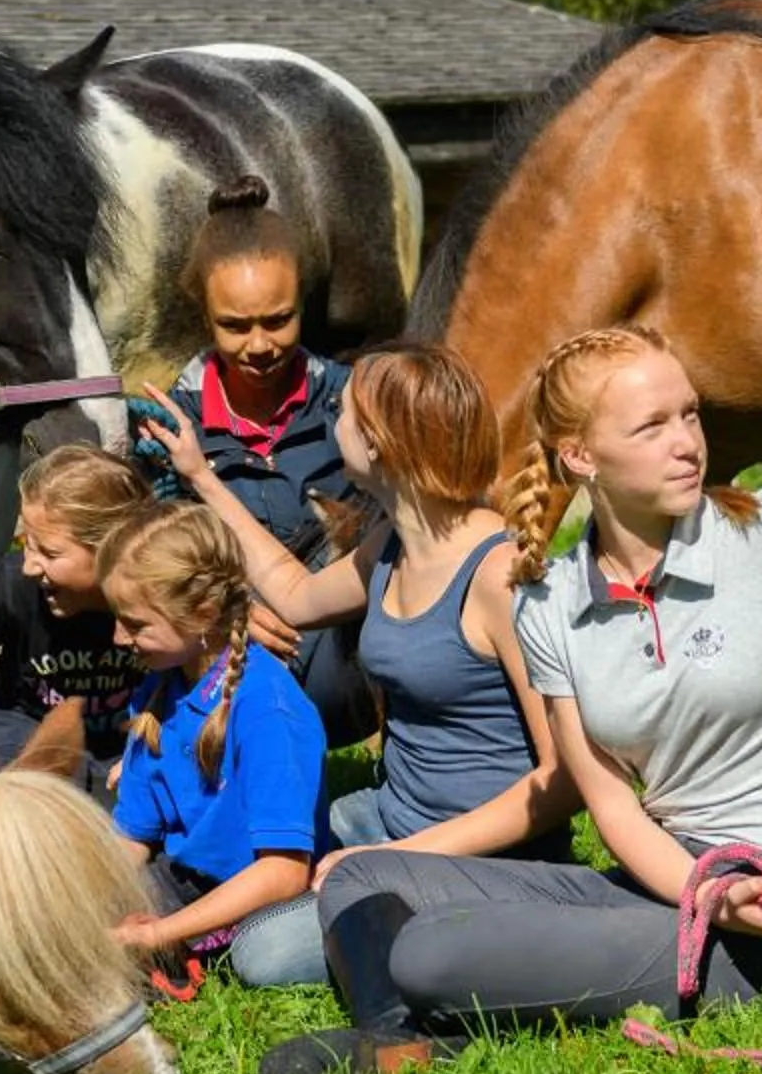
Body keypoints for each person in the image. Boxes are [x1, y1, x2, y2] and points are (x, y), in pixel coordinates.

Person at [257, 324, 762, 1074]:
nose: (688, 441)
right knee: (363, 878)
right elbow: (611, 808)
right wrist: (699, 886)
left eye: (690, 414)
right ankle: (398, 1041)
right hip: (654, 883)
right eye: (653, 425)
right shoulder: (553, 600)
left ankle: (407, 1020)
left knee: (425, 952)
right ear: (581, 456)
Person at [137, 342, 575, 987]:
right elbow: (293, 593)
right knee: (243, 850)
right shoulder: (396, 544)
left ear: (379, 444)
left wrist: (390, 859)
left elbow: (562, 780)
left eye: (344, 411)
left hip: (488, 858)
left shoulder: (497, 574)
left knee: (264, 955)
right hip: (388, 815)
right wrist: (201, 477)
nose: (331, 413)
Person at [163, 177, 377, 745]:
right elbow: (151, 562)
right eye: (235, 326)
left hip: (344, 647)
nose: (259, 345)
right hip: (222, 656)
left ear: (303, 301)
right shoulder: (170, 429)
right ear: (204, 317)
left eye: (278, 319)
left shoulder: (352, 405)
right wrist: (220, 617)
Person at [97, 502, 331, 988]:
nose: (119, 638)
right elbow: (133, 836)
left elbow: (283, 872)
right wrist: (90, 900)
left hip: (260, 899)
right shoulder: (161, 688)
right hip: (182, 878)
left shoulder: (266, 708)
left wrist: (160, 933)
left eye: (136, 624)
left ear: (202, 613)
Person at [0, 446, 149, 797]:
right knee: (11, 805)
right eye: (27, 545)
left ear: (114, 548)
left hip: (124, 737)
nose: (31, 565)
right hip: (22, 726)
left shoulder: (156, 598)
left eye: (49, 553)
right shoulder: (16, 585)